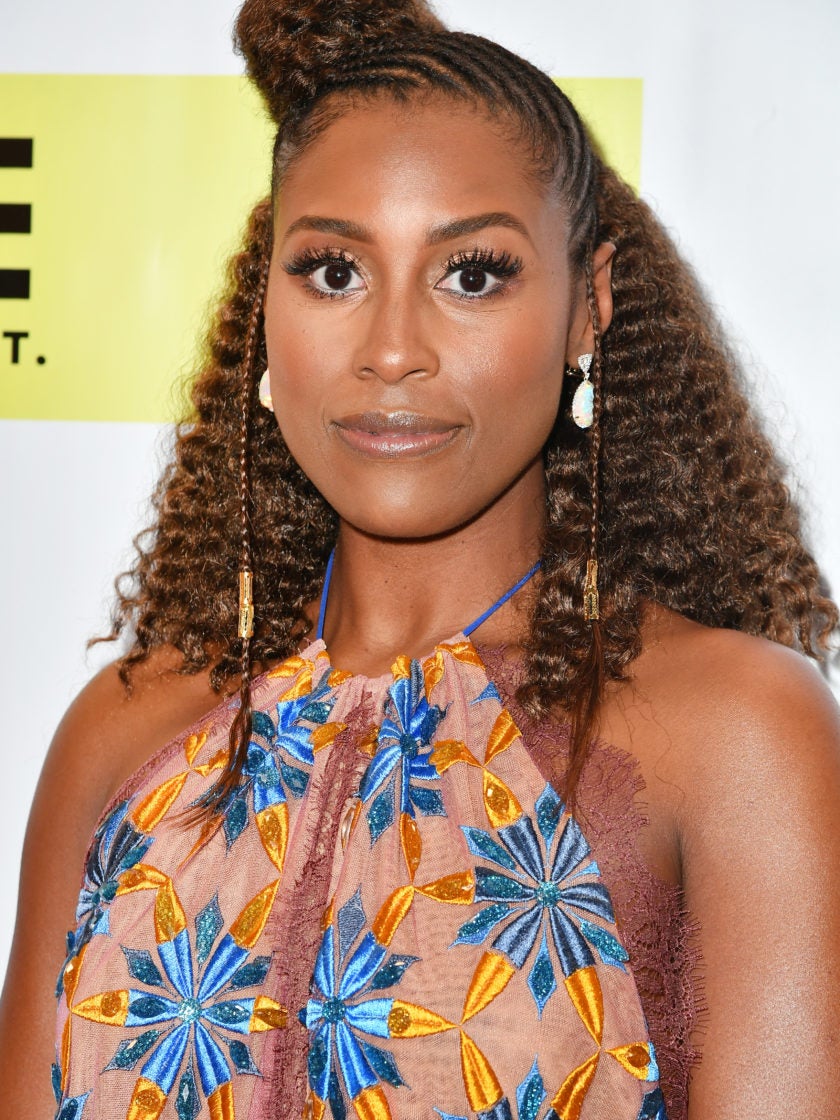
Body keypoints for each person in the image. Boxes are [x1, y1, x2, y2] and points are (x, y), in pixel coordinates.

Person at [2, 0, 839, 1116]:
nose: (392, 349)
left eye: (473, 274)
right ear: (265, 304)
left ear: (588, 309)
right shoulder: (120, 736)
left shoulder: (730, 732)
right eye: (332, 272)